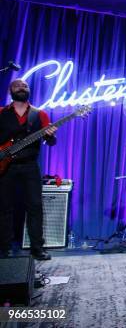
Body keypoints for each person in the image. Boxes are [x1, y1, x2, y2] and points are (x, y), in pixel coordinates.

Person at [0, 79, 57, 260]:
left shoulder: (39, 114)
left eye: (25, 86)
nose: (22, 88)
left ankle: (37, 248)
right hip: (5, 166)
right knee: (4, 208)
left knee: (35, 207)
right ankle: (4, 248)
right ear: (10, 91)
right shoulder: (1, 113)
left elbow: (51, 142)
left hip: (30, 165)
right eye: (18, 86)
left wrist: (50, 136)